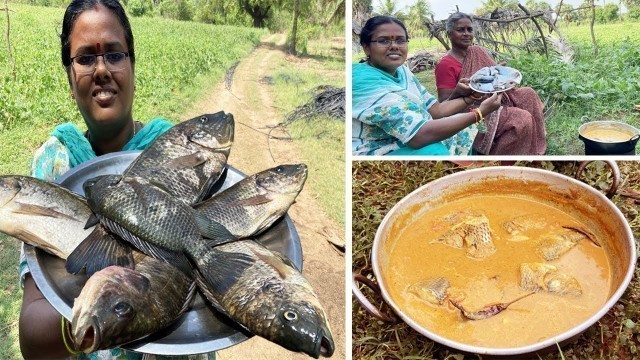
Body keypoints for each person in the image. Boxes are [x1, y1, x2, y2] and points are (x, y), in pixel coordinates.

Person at [17, 1, 211, 359]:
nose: (102, 69)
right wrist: (106, 306)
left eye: (114, 55)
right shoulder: (55, 164)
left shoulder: (175, 151)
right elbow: (33, 339)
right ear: (69, 78)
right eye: (86, 58)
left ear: (133, 67)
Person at [352, 15, 502, 156]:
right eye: (384, 41)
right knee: (435, 150)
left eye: (400, 40)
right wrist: (479, 113)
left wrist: (470, 98)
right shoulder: (361, 82)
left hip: (416, 133)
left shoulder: (403, 71)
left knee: (465, 129)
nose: (394, 46)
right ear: (366, 48)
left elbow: (436, 111)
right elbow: (418, 136)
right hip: (379, 149)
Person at [434, 12, 547, 155]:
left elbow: (495, 75)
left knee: (528, 94)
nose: (466, 33)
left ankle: (534, 147)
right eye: (460, 30)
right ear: (449, 34)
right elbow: (444, 105)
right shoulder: (445, 65)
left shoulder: (477, 51)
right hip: (471, 108)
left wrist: (501, 71)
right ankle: (500, 159)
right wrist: (459, 91)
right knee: (522, 119)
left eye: (469, 29)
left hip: (494, 96)